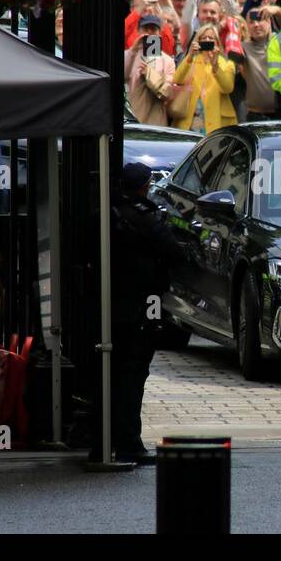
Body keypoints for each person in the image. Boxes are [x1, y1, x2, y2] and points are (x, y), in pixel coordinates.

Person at [109, 163, 188, 464]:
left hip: (109, 307)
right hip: (141, 308)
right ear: (143, 187)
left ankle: (110, 437)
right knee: (134, 375)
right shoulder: (146, 217)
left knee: (115, 373)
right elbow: (176, 253)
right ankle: (129, 441)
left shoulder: (108, 214)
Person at [172, 23, 237, 133]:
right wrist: (190, 56)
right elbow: (177, 79)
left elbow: (227, 88)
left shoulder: (227, 64)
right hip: (191, 120)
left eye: (210, 38)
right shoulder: (191, 60)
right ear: (198, 41)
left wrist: (215, 66)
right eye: (203, 38)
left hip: (217, 122)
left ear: (217, 42)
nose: (207, 40)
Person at [127, 14, 177, 126]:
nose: (149, 33)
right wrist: (133, 51)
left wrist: (149, 73)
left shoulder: (167, 61)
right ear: (138, 31)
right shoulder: (129, 55)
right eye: (145, 29)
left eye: (153, 29)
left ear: (159, 32)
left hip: (155, 122)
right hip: (131, 119)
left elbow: (168, 93)